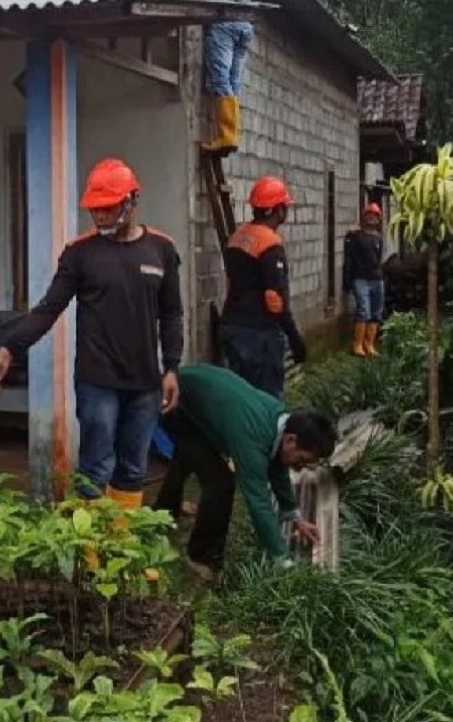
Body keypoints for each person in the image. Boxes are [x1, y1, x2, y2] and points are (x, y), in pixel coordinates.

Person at [0, 158, 184, 513]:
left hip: (145, 382)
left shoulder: (161, 248)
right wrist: (8, 350)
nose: (99, 215)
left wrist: (172, 367)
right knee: (95, 470)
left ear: (131, 201)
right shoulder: (80, 253)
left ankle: (121, 543)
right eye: (94, 209)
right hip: (97, 381)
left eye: (108, 208)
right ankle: (89, 547)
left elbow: (172, 313)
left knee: (133, 470)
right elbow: (48, 308)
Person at [155, 363, 336, 579]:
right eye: (303, 459)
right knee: (220, 481)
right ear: (290, 439)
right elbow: (259, 503)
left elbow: (277, 466)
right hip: (174, 402)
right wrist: (283, 559)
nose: (301, 466)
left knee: (192, 454)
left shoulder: (279, 419)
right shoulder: (252, 440)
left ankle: (162, 511)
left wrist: (294, 516)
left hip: (193, 396)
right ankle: (202, 556)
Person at [219, 176, 307, 397]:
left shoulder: (237, 237)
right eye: (284, 206)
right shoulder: (269, 244)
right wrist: (295, 340)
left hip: (232, 327)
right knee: (265, 400)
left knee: (240, 397)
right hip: (259, 335)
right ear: (277, 210)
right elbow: (276, 300)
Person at [200, 0, 263, 156]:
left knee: (221, 78)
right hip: (245, 23)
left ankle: (226, 135)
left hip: (224, 22)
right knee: (234, 81)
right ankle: (231, 134)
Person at [344, 202, 386, 357]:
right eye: (369, 215)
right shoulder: (355, 236)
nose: (372, 218)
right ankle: (357, 345)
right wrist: (347, 281)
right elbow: (348, 259)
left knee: (376, 312)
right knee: (363, 311)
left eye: (375, 216)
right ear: (364, 217)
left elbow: (379, 259)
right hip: (360, 279)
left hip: (377, 279)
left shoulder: (378, 238)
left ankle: (369, 344)